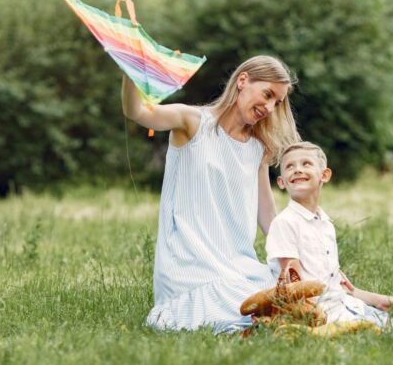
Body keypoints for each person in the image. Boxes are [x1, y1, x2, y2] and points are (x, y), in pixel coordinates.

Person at [122, 55, 300, 333]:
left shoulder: (257, 146)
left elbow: (267, 216)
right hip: (191, 266)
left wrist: (291, 257)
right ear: (243, 81)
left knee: (294, 290)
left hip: (239, 265)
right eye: (267, 95)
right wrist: (130, 67)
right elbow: (139, 112)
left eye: (276, 102)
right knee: (240, 304)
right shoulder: (191, 122)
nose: (269, 107)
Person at [266, 142, 393, 330]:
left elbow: (341, 287)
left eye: (306, 164)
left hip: (344, 305)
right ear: (281, 182)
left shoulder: (325, 225)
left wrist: (378, 299)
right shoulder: (285, 223)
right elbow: (294, 285)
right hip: (319, 314)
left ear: (325, 175)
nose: (297, 170)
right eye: (289, 166)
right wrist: (313, 320)